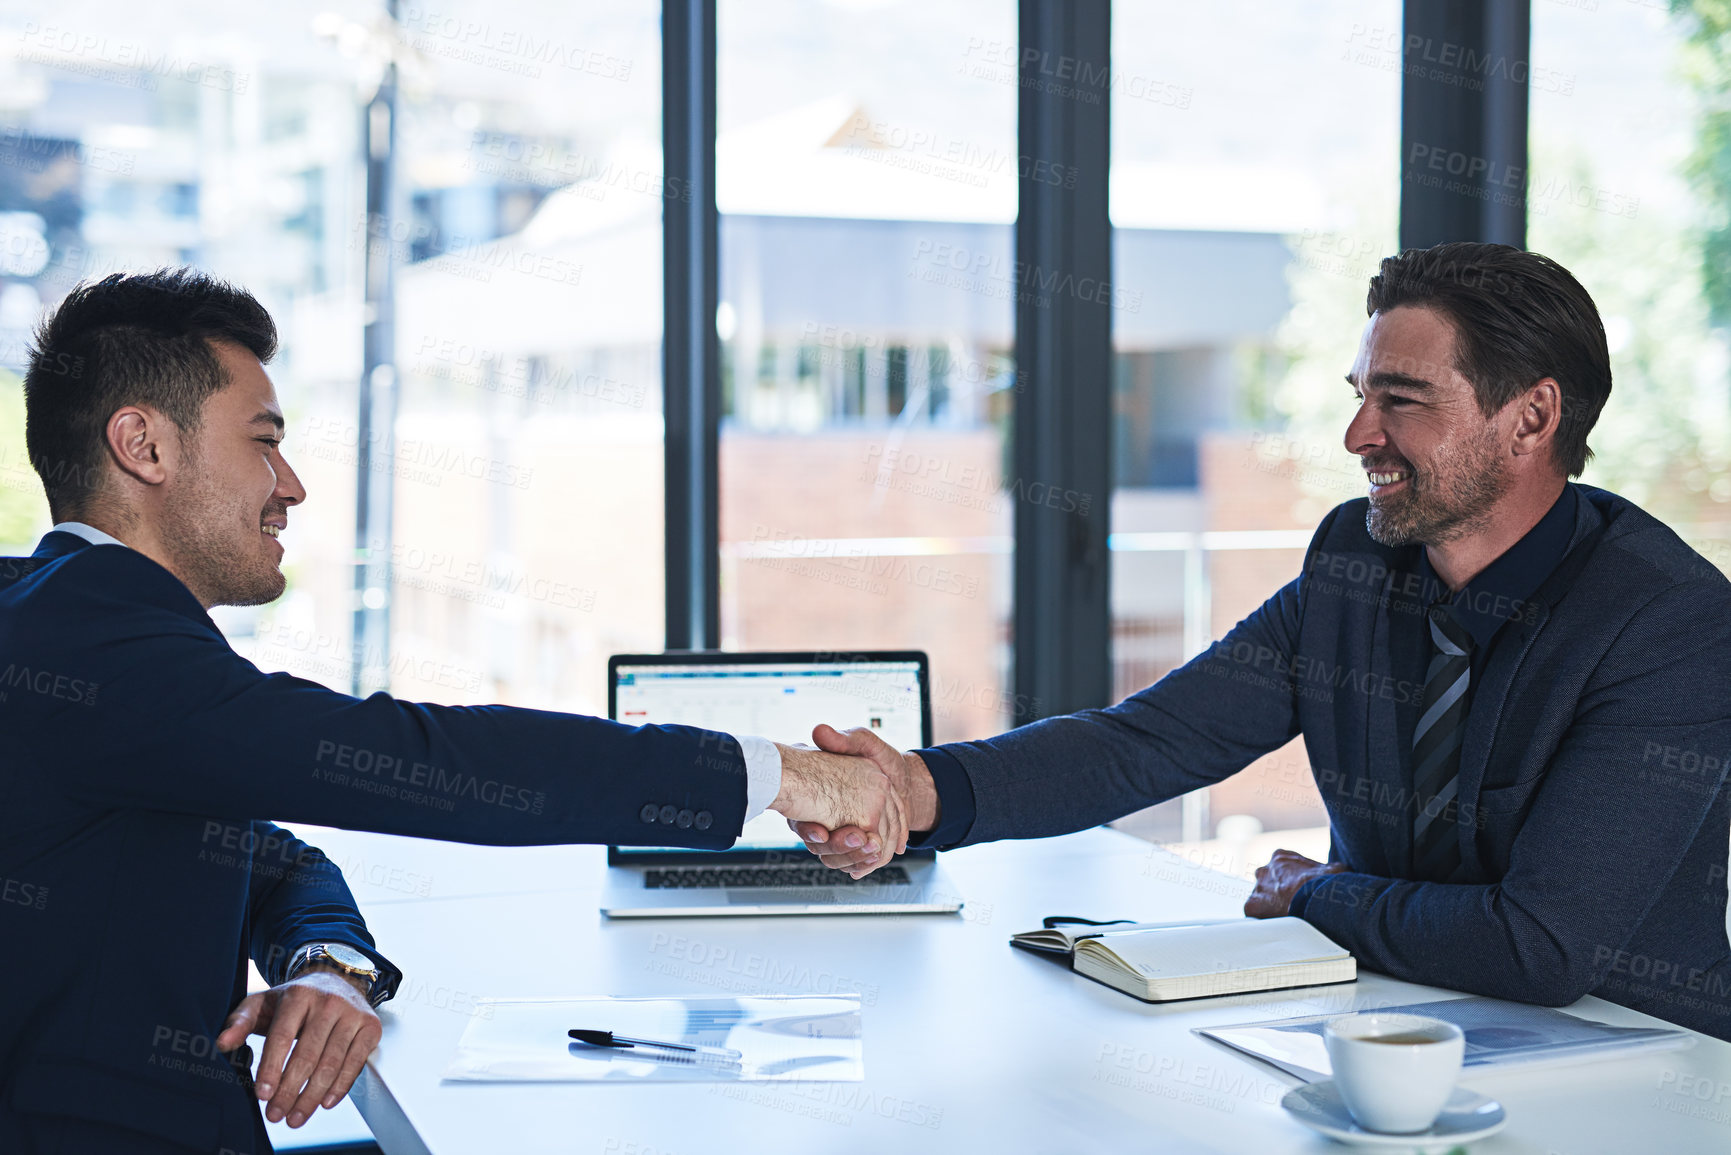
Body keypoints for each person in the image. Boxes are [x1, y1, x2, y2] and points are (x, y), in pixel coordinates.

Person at [0, 269, 909, 1155]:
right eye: (263, 441)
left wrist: (329, 963)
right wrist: (782, 774)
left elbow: (276, 863)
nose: (291, 485)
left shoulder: (70, 619)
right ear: (143, 446)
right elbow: (430, 761)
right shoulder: (94, 642)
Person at [795, 242, 1731, 1042]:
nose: (1357, 433)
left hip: (1629, 1057)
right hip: (1388, 1032)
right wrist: (917, 789)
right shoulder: (1353, 563)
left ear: (1530, 416)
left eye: (1400, 400)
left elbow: (1540, 944)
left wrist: (1316, 893)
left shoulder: (1670, 624)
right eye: (1361, 393)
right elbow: (1149, 740)